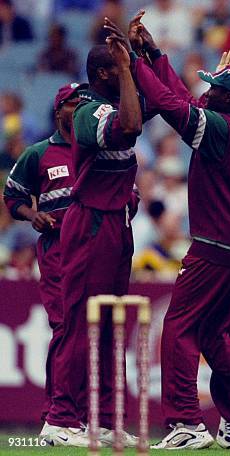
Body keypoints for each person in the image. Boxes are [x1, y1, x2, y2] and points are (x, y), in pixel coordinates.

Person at [126, 14, 230, 450]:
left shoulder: (215, 127)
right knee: (214, 335)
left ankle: (185, 423)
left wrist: (134, 62)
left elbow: (171, 105)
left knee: (178, 327)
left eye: (212, 88)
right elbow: (177, 96)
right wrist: (153, 53)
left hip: (217, 246)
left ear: (224, 98)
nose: (204, 92)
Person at [43, 21, 143, 447]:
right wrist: (125, 66)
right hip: (91, 223)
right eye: (122, 69)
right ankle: (61, 419)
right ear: (105, 74)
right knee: (80, 323)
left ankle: (98, 418)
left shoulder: (120, 98)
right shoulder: (87, 112)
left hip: (117, 224)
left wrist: (143, 52)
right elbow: (134, 125)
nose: (131, 76)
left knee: (107, 326)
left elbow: (158, 103)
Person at [3, 83, 84, 432]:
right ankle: (55, 414)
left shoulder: (97, 149)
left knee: (89, 332)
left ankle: (81, 414)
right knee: (65, 327)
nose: (78, 109)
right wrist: (31, 215)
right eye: (72, 104)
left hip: (94, 252)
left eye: (82, 103)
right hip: (56, 252)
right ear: (58, 111)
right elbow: (12, 197)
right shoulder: (39, 153)